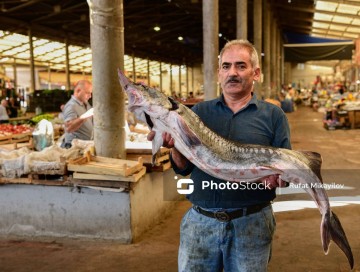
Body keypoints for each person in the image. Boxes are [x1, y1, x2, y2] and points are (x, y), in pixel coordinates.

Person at [148, 39, 291, 271]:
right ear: (218, 73)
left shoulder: (273, 116)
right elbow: (183, 168)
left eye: (240, 66)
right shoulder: (198, 112)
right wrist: (175, 145)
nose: (232, 73)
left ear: (256, 73)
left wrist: (280, 176)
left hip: (252, 223)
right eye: (226, 66)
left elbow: (285, 169)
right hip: (200, 222)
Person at [61, 80, 93, 148]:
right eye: (87, 93)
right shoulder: (71, 106)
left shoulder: (86, 103)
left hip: (84, 145)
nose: (90, 96)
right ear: (78, 90)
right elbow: (69, 128)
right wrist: (86, 115)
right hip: (73, 147)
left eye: (91, 93)